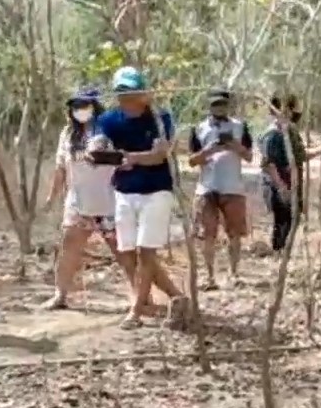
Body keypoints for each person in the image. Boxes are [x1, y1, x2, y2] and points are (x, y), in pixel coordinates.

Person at [96, 66, 189, 329]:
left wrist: (130, 157)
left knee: (146, 250)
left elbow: (159, 155)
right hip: (124, 191)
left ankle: (136, 310)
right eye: (122, 91)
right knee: (128, 252)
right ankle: (177, 296)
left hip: (156, 190)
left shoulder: (161, 118)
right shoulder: (109, 120)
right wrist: (100, 152)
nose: (127, 96)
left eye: (132, 90)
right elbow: (101, 146)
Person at [42, 87, 148, 311]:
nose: (80, 110)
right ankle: (60, 294)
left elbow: (126, 160)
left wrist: (105, 157)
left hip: (108, 202)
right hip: (78, 203)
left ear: (94, 106)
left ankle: (139, 297)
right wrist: (52, 196)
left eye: (84, 105)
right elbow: (61, 167)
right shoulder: (68, 134)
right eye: (76, 106)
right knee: (68, 248)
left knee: (123, 252)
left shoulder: (110, 130)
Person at [187, 88, 253, 289]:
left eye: (222, 104)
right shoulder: (198, 128)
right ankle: (209, 277)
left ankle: (234, 274)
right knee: (208, 235)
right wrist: (210, 150)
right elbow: (191, 161)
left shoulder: (240, 127)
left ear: (228, 105)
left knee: (234, 234)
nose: (219, 108)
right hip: (206, 188)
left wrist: (233, 145)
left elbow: (249, 156)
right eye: (215, 104)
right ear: (209, 106)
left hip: (233, 188)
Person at [260, 94, 321, 253]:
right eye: (291, 109)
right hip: (278, 185)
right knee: (282, 221)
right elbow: (268, 164)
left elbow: (300, 155)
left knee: (293, 218)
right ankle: (279, 254)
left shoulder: (290, 131)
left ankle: (284, 253)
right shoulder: (272, 134)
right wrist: (282, 187)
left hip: (292, 183)